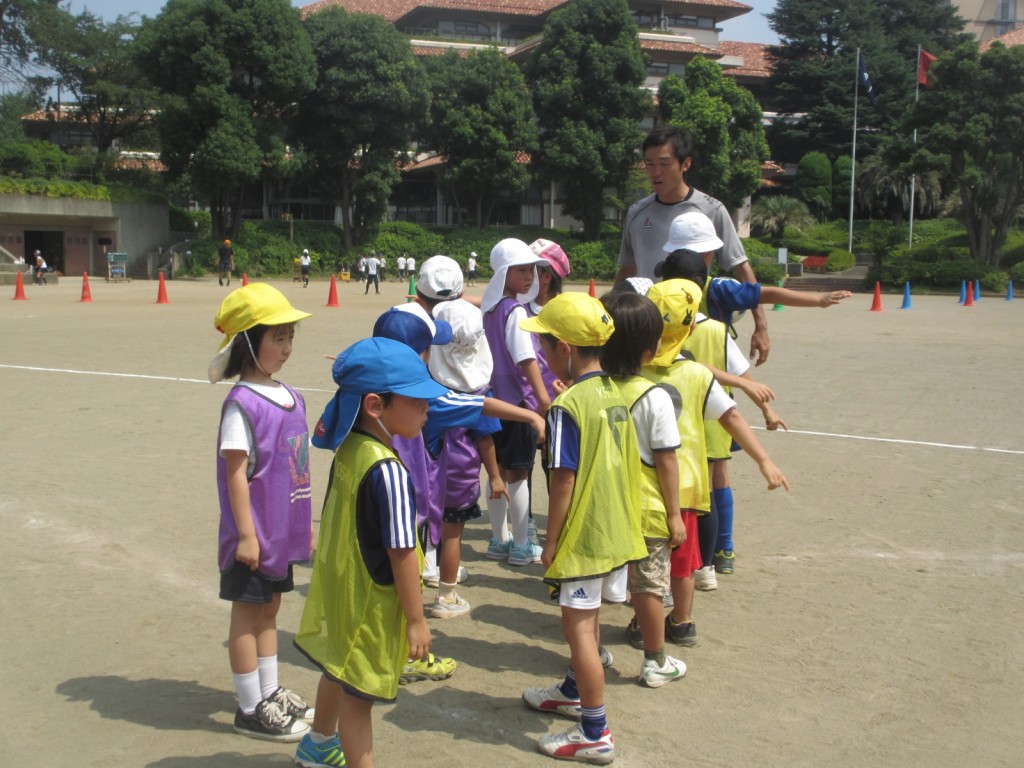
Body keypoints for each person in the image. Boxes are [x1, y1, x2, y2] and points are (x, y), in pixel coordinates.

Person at [296, 337, 450, 768]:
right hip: (371, 603)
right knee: (359, 698)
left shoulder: (351, 447)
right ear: (375, 406)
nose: (427, 408)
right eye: (417, 399)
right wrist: (417, 619)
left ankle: (317, 743)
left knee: (339, 666)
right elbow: (401, 552)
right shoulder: (390, 471)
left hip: (345, 590)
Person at [519, 292, 646, 765]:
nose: (542, 352)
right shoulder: (614, 391)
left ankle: (595, 731)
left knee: (579, 630)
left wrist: (551, 541)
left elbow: (563, 480)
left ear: (566, 348)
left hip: (584, 535)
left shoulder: (566, 405)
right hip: (615, 528)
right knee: (587, 622)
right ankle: (574, 690)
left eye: (545, 344)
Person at [630, 280, 789, 650]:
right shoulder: (698, 375)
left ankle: (643, 622)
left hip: (641, 485)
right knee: (684, 562)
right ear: (690, 329)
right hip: (687, 486)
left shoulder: (631, 370)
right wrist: (764, 460)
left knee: (643, 563)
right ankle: (682, 622)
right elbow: (732, 417)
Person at [208, 283, 315, 742]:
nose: (287, 347)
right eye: (278, 337)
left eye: (291, 337)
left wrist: (302, 527)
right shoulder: (242, 404)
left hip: (281, 531)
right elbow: (236, 474)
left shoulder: (290, 395)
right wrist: (247, 535)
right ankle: (250, 707)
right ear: (249, 342)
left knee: (271, 610)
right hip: (254, 537)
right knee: (247, 616)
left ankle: (270, 693)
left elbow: (297, 469)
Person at [616, 126, 771, 365]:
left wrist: (761, 326)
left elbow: (741, 267)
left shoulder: (712, 210)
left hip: (694, 327)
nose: (655, 172)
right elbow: (627, 270)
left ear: (685, 164)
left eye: (664, 164)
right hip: (647, 330)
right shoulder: (637, 212)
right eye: (649, 164)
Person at [598, 289, 688, 689]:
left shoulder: (589, 390)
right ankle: (655, 660)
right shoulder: (656, 398)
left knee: (593, 581)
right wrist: (675, 514)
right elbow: (667, 459)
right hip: (647, 508)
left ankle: (590, 648)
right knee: (648, 586)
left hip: (601, 505)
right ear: (650, 351)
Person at [427, 298, 508, 618]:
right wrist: (496, 476)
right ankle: (446, 595)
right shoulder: (478, 393)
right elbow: (485, 438)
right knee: (452, 536)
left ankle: (425, 571)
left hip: (424, 472)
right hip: (459, 476)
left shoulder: (426, 384)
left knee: (422, 529)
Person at [655, 211, 851, 336]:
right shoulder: (718, 290)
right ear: (708, 255)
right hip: (712, 382)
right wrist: (819, 300)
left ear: (671, 253)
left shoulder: (657, 291)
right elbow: (769, 294)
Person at [481, 239, 551, 565]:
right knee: (519, 474)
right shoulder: (515, 311)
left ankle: (499, 539)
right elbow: (526, 359)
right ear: (504, 272)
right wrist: (543, 399)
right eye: (521, 269)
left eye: (531, 269)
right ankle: (522, 544)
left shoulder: (489, 310)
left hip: (491, 402)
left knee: (496, 472)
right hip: (518, 405)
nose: (529, 276)